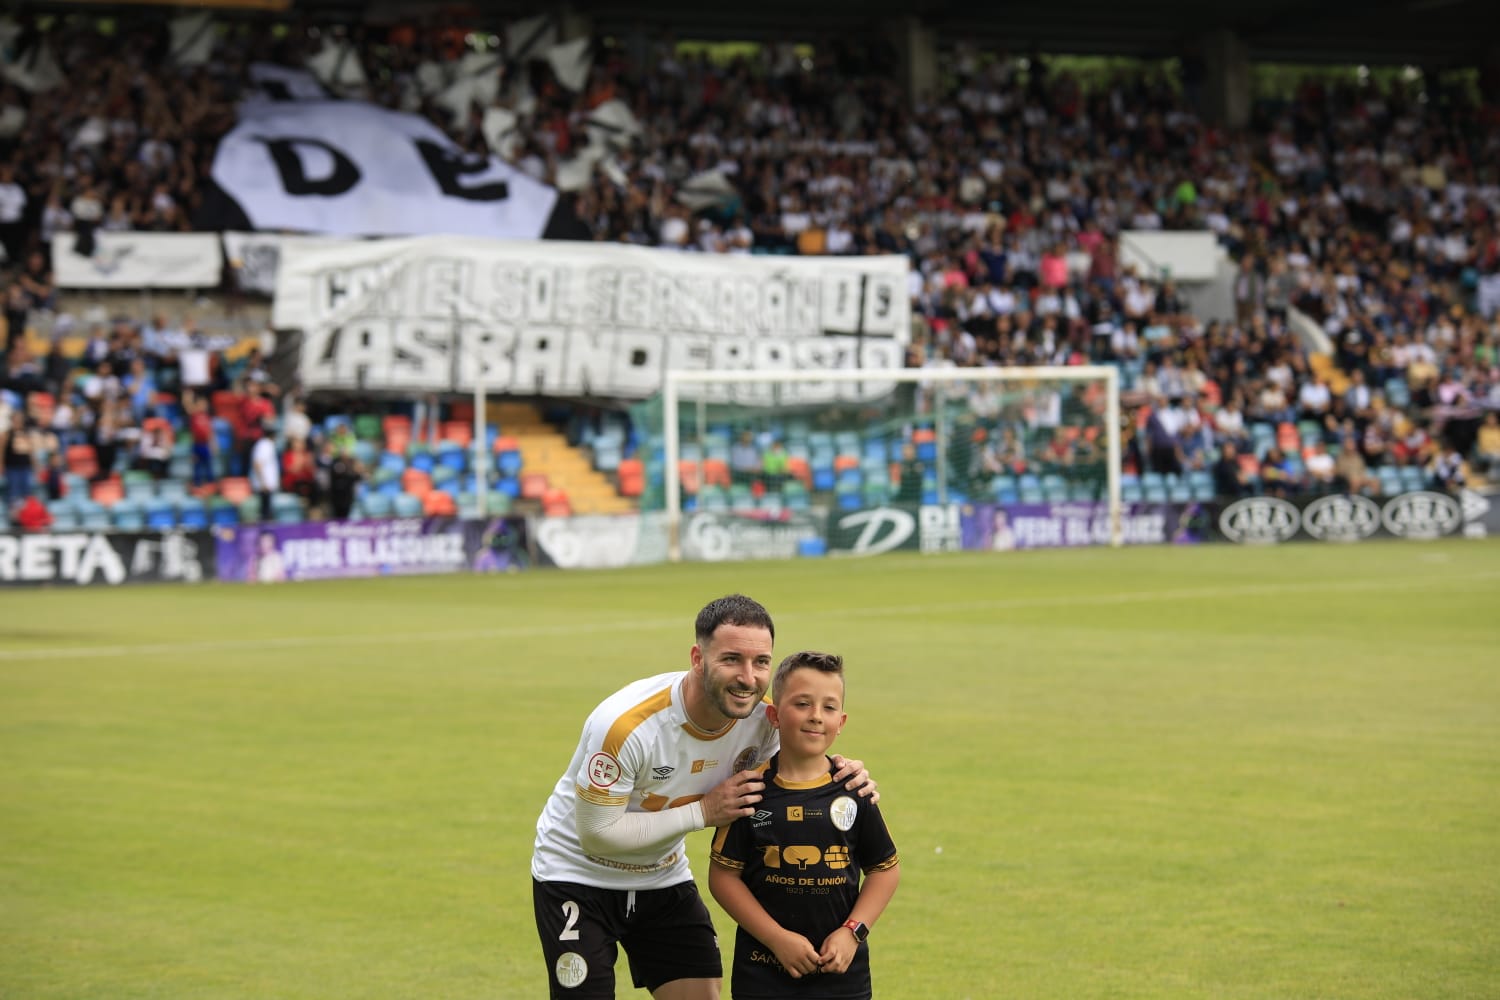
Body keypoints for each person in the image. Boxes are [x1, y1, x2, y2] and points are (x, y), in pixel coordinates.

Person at [531, 594, 876, 1000]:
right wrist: (705, 810)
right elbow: (595, 834)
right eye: (732, 659)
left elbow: (801, 762)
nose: (748, 677)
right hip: (576, 874)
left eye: (761, 662)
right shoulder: (628, 726)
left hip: (660, 874)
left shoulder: (762, 723)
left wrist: (843, 773)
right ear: (698, 658)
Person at [709, 650, 900, 1000]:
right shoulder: (750, 792)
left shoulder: (854, 790)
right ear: (774, 715)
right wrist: (776, 939)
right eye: (802, 704)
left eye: (828, 707)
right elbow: (722, 877)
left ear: (840, 722)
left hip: (842, 972)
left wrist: (852, 933)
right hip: (762, 972)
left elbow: (885, 870)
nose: (816, 717)